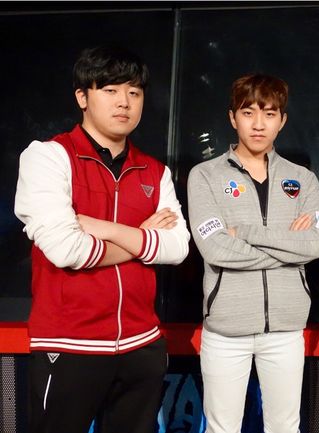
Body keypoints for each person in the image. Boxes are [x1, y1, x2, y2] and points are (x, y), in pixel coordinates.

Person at [13, 45, 190, 433]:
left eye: (134, 92)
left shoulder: (154, 171)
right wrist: (145, 238)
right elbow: (67, 250)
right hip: (69, 344)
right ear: (82, 97)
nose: (124, 102)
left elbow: (178, 248)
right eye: (110, 90)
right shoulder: (48, 157)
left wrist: (107, 230)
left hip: (142, 345)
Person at [187, 74, 319, 433]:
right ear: (232, 117)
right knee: (222, 429)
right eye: (248, 113)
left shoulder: (303, 179)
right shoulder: (204, 176)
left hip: (285, 329)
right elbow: (214, 248)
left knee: (285, 428)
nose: (259, 124)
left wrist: (247, 233)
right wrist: (288, 248)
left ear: (282, 120)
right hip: (225, 330)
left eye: (269, 113)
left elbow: (315, 245)